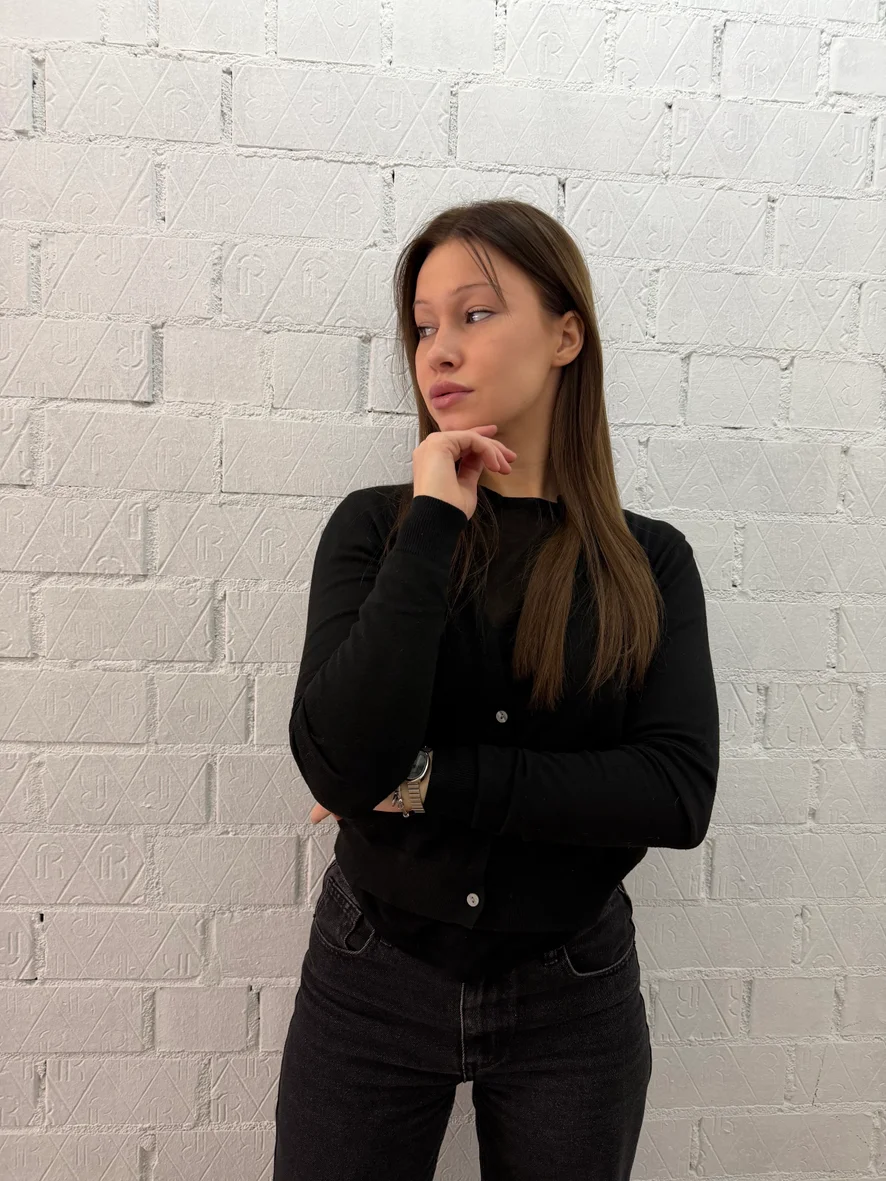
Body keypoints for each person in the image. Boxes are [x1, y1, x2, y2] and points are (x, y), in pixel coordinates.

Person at [273, 199, 720, 1180]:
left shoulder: (648, 562)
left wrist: (423, 780)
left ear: (566, 336)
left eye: (475, 314)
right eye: (424, 325)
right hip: (371, 969)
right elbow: (342, 761)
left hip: (573, 985)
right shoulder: (378, 529)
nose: (438, 348)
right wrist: (435, 514)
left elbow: (674, 794)